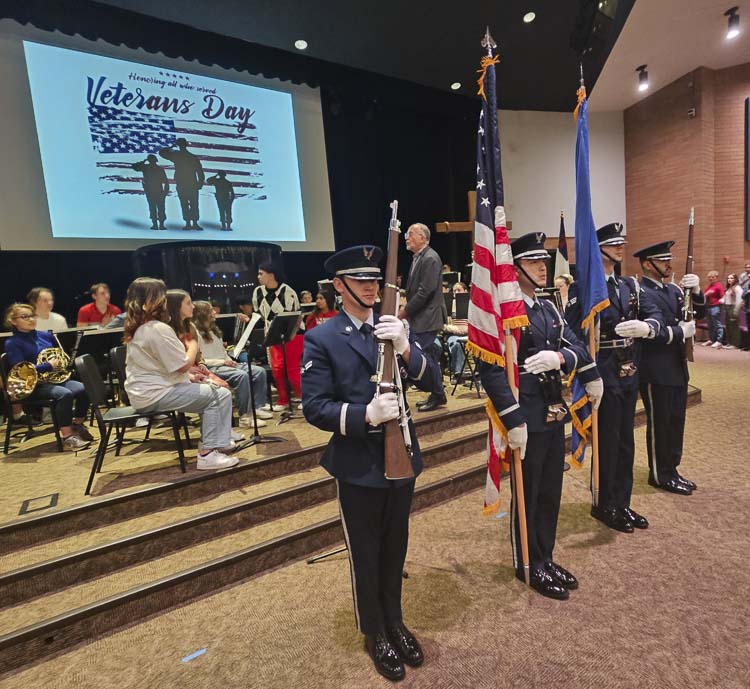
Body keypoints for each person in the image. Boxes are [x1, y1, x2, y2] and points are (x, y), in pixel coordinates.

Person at [302, 245, 441, 681]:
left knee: (395, 546)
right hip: (360, 462)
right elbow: (315, 407)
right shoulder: (322, 337)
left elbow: (431, 378)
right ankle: (374, 630)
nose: (370, 285)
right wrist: (363, 415)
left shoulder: (393, 328)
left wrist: (405, 346)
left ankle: (395, 620)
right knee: (366, 552)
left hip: (402, 457)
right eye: (359, 279)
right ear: (339, 286)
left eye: (374, 279)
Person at [479, 233, 603, 600]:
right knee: (529, 493)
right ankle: (527, 564)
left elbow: (575, 346)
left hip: (552, 409)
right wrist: (512, 417)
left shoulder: (548, 308)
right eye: (534, 263)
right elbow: (491, 369)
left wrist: (564, 359)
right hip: (525, 412)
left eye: (544, 263)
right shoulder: (507, 311)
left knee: (550, 490)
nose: (542, 268)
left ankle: (545, 557)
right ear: (515, 268)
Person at [566, 223, 662, 533]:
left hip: (627, 369)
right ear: (599, 249)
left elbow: (655, 312)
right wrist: (586, 369)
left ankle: (623, 501)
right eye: (613, 243)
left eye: (622, 242)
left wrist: (646, 327)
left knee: (626, 441)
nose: (620, 248)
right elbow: (569, 332)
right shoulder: (585, 287)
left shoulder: (629, 286)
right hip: (602, 369)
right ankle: (604, 503)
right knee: (607, 442)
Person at [123, 278, 239, 470]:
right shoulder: (156, 328)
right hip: (154, 394)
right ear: (153, 299)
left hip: (149, 391)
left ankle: (219, 441)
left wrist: (191, 377)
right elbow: (183, 365)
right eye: (162, 295)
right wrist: (193, 343)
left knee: (217, 391)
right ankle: (208, 454)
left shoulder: (144, 327)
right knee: (217, 395)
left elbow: (162, 367)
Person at [634, 242, 705, 495]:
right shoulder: (641, 292)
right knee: (660, 424)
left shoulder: (673, 290)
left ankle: (672, 469)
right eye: (662, 260)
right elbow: (653, 330)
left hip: (677, 367)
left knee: (676, 421)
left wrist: (696, 292)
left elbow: (698, 312)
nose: (668, 263)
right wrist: (677, 332)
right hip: (656, 369)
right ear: (646, 263)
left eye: (668, 259)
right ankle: (659, 474)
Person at [4, 303, 92, 450]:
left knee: (85, 388)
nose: (31, 319)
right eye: (25, 317)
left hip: (53, 380)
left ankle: (77, 425)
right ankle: (68, 437)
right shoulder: (12, 343)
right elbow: (20, 371)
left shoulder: (45, 335)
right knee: (64, 394)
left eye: (32, 316)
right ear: (13, 321)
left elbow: (60, 356)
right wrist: (48, 366)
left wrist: (60, 364)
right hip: (33, 386)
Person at [192, 300, 273, 427]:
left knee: (259, 371)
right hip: (211, 368)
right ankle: (245, 417)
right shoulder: (195, 333)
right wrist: (223, 361)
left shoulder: (214, 330)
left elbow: (222, 351)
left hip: (223, 363)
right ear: (202, 314)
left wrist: (229, 361)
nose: (214, 312)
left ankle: (257, 407)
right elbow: (200, 360)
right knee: (242, 376)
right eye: (211, 310)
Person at [399, 223, 447, 412]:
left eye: (410, 234)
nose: (407, 238)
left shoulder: (430, 258)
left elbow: (425, 291)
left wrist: (405, 311)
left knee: (424, 356)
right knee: (429, 357)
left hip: (428, 317)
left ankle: (438, 394)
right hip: (420, 317)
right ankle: (438, 393)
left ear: (422, 236)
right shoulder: (419, 257)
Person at [251, 263, 303, 409]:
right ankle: (283, 400)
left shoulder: (287, 291)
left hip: (292, 335)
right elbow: (258, 314)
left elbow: (293, 316)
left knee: (292, 369)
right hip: (273, 335)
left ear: (271, 274)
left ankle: (303, 397)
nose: (258, 277)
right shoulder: (257, 292)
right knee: (277, 369)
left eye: (261, 273)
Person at [159, 138, 205, 230]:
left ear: (178, 145)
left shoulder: (177, 156)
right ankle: (193, 223)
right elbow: (200, 172)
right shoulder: (192, 157)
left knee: (185, 203)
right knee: (193, 204)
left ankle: (189, 223)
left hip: (184, 184)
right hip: (190, 184)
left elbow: (162, 152)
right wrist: (200, 183)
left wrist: (171, 147)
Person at [131, 155, 169, 230]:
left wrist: (165, 193)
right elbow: (134, 167)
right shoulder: (146, 168)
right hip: (151, 192)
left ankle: (161, 225)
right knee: (153, 208)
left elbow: (166, 182)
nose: (152, 162)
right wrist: (143, 161)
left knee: (159, 208)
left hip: (158, 192)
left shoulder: (158, 169)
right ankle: (156, 224)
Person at [444, 282, 469, 381]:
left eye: (459, 290)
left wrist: (464, 330)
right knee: (457, 344)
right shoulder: (449, 305)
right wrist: (457, 330)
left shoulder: (470, 304)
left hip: (469, 335)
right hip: (453, 335)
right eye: (454, 290)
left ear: (465, 291)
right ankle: (458, 373)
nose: (456, 292)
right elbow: (444, 325)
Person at [701, 270, 725, 348]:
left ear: (716, 277)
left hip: (716, 307)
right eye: (709, 277)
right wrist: (707, 294)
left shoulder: (718, 285)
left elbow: (722, 296)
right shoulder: (709, 286)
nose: (710, 278)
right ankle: (711, 339)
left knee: (717, 324)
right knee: (710, 325)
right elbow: (704, 295)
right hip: (709, 306)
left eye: (712, 277)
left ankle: (719, 341)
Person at [722, 273, 743, 349]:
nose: (729, 280)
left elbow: (739, 300)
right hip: (727, 307)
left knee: (734, 326)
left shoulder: (737, 288)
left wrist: (736, 310)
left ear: (735, 279)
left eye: (731, 278)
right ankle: (729, 342)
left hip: (733, 307)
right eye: (728, 278)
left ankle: (735, 344)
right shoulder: (729, 288)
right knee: (728, 326)